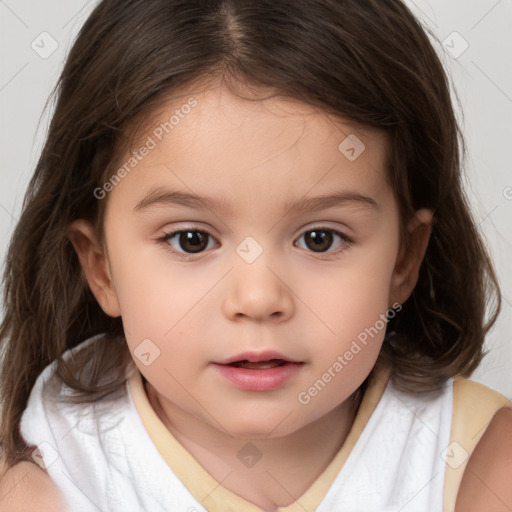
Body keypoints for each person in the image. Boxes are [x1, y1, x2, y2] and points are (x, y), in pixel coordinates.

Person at [0, 0, 510, 511]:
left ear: (403, 259)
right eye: (191, 240)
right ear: (101, 267)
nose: (259, 298)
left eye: (320, 239)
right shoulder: (50, 473)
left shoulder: (476, 461)